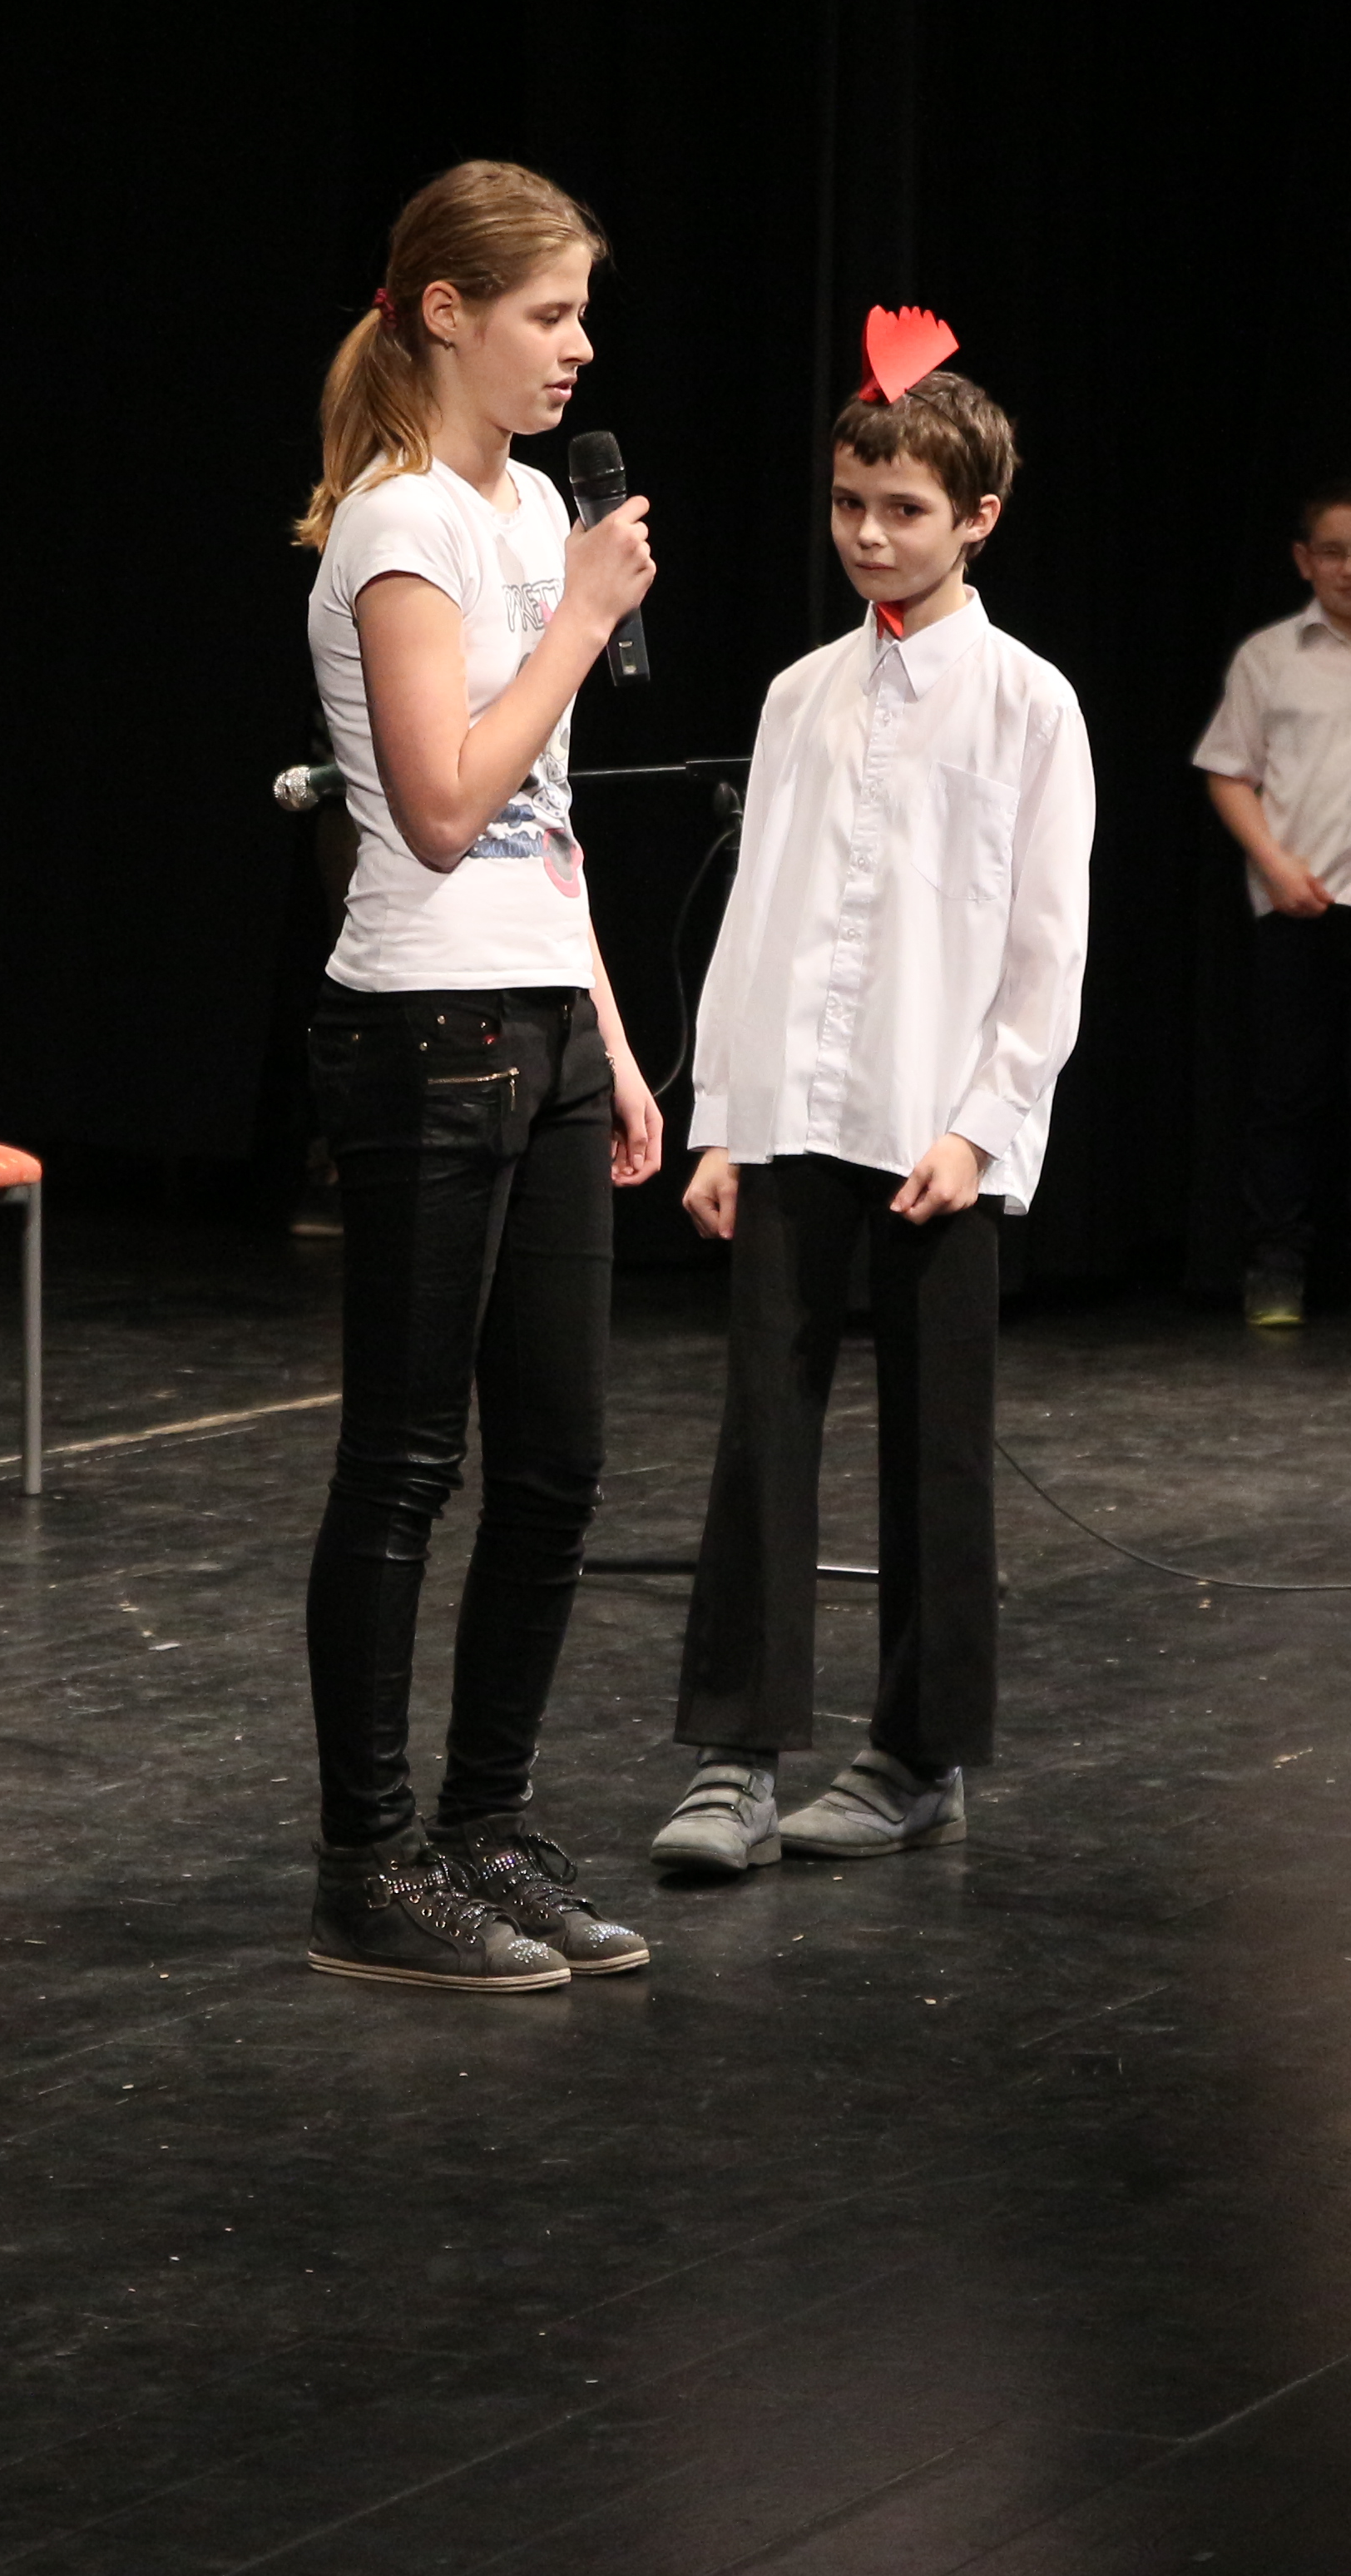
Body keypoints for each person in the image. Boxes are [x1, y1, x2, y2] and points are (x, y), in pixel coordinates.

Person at [650, 317, 1095, 1875]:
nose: (869, 534)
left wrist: (983, 1124)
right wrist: (720, 1115)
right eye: (849, 504)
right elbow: (758, 909)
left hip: (933, 1121)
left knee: (937, 1443)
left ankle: (917, 1753)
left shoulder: (1028, 702)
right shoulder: (799, 694)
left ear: (978, 517)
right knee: (760, 1428)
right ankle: (733, 1758)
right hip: (792, 1106)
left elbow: (1046, 939)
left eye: (903, 509)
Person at [291, 161, 666, 1993]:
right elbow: (444, 807)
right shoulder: (400, 525)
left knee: (558, 1467)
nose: (577, 347)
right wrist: (580, 619)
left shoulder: (530, 509)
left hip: (541, 1019)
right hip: (425, 1028)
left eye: (584, 313)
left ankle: (488, 1828)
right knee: (406, 1462)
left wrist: (610, 1032)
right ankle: (368, 1863)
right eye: (547, 312)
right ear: (445, 313)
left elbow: (546, 824)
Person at [1196, 483, 1351, 1330]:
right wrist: (1274, 864)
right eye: (1333, 550)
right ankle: (1276, 1264)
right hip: (1296, 906)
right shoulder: (1270, 656)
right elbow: (1230, 771)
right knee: (1286, 1093)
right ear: (1303, 560)